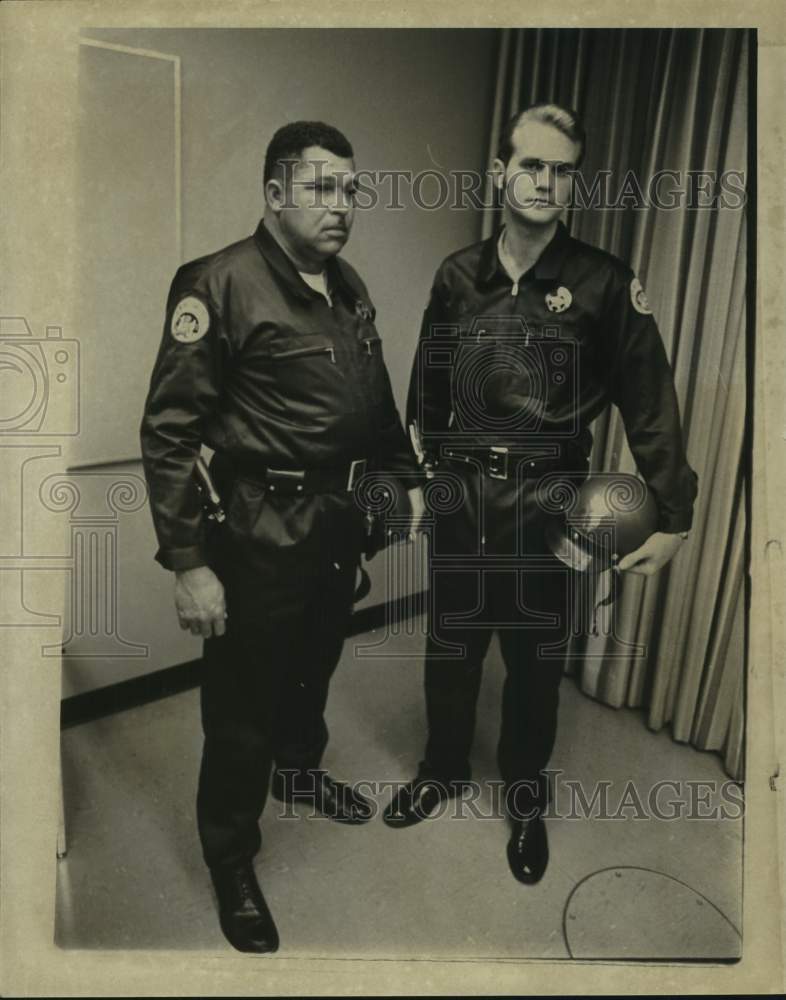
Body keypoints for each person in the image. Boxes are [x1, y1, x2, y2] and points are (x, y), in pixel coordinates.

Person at [387, 103, 698, 885]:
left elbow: (650, 401)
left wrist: (674, 512)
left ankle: (525, 796)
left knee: (534, 663)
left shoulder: (603, 283)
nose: (545, 182)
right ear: (501, 172)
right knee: (452, 649)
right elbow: (426, 382)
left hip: (552, 504)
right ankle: (443, 768)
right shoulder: (459, 274)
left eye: (561, 170)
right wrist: (414, 472)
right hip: (463, 498)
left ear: (573, 182)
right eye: (531, 164)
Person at [140, 121, 422, 953]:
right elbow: (166, 434)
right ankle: (231, 855)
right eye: (321, 189)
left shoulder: (346, 283)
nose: (341, 207)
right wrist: (189, 564)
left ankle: (299, 776)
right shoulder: (217, 284)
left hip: (336, 530)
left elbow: (376, 405)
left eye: (350, 190)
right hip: (258, 533)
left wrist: (404, 484)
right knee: (242, 711)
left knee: (311, 673)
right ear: (273, 194)